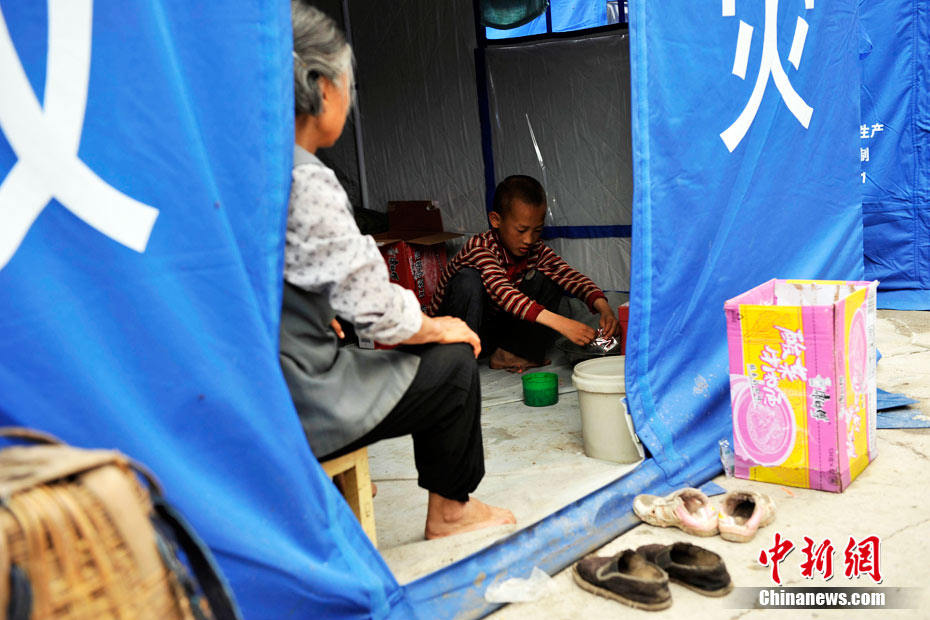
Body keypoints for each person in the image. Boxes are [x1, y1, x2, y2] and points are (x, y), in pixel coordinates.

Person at [281, 2, 515, 539]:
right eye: (349, 84)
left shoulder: (241, 168)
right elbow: (375, 308)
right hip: (298, 400)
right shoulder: (306, 180)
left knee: (353, 341)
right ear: (322, 88)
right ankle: (451, 512)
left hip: (251, 381)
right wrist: (436, 326)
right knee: (454, 361)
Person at [428, 175, 619, 372]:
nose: (529, 239)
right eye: (521, 230)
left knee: (548, 277)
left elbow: (569, 275)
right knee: (468, 279)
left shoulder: (535, 250)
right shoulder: (480, 248)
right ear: (496, 220)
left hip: (489, 334)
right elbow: (503, 292)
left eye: (537, 230)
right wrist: (563, 324)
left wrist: (604, 308)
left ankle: (508, 354)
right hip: (448, 334)